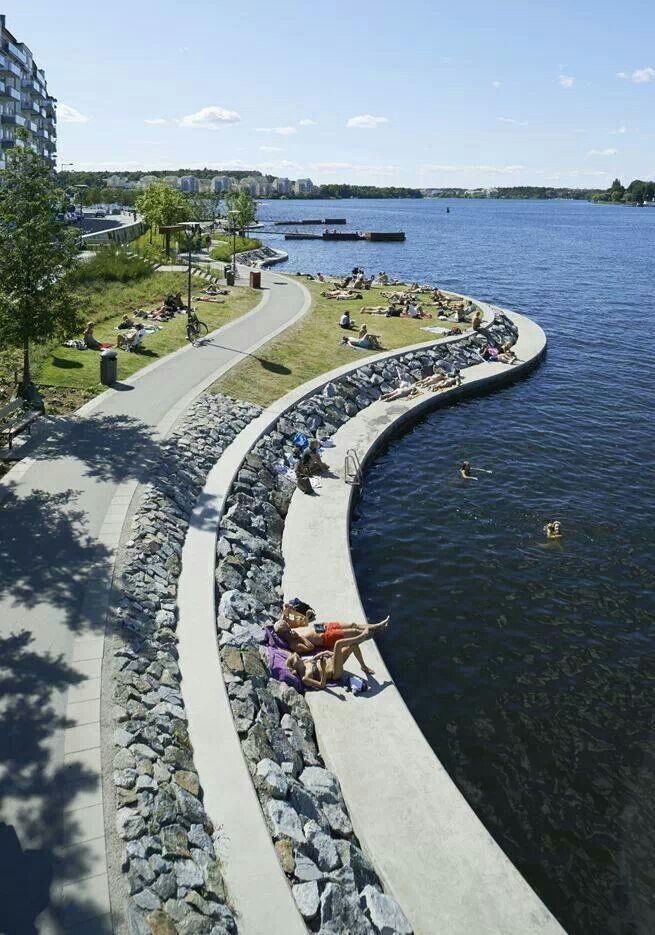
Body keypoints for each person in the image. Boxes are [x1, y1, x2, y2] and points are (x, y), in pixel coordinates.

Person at [285, 617, 390, 688]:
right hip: (335, 671)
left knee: (353, 641)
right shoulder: (305, 677)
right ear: (295, 665)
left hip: (321, 629)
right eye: (297, 658)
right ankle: (362, 636)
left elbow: (314, 657)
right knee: (339, 644)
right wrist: (323, 666)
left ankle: (364, 666)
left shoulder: (304, 662)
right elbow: (322, 685)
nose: (299, 657)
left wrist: (325, 652)